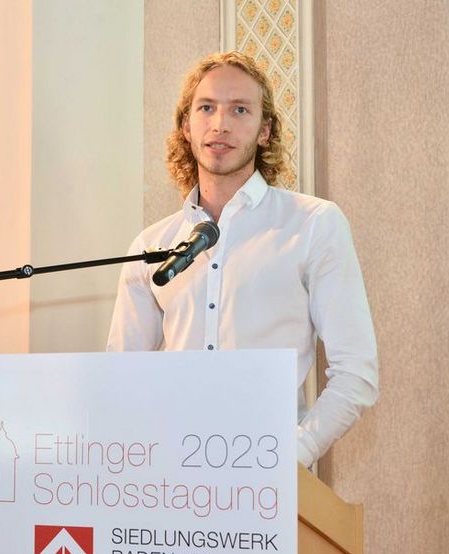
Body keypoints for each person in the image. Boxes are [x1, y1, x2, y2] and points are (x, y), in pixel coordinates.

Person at [106, 51, 378, 467]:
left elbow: (356, 373)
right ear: (186, 126)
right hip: (171, 477)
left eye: (240, 110)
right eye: (206, 108)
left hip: (272, 480)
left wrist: (291, 456)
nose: (220, 124)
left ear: (264, 130)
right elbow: (121, 376)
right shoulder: (152, 245)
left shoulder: (314, 225)